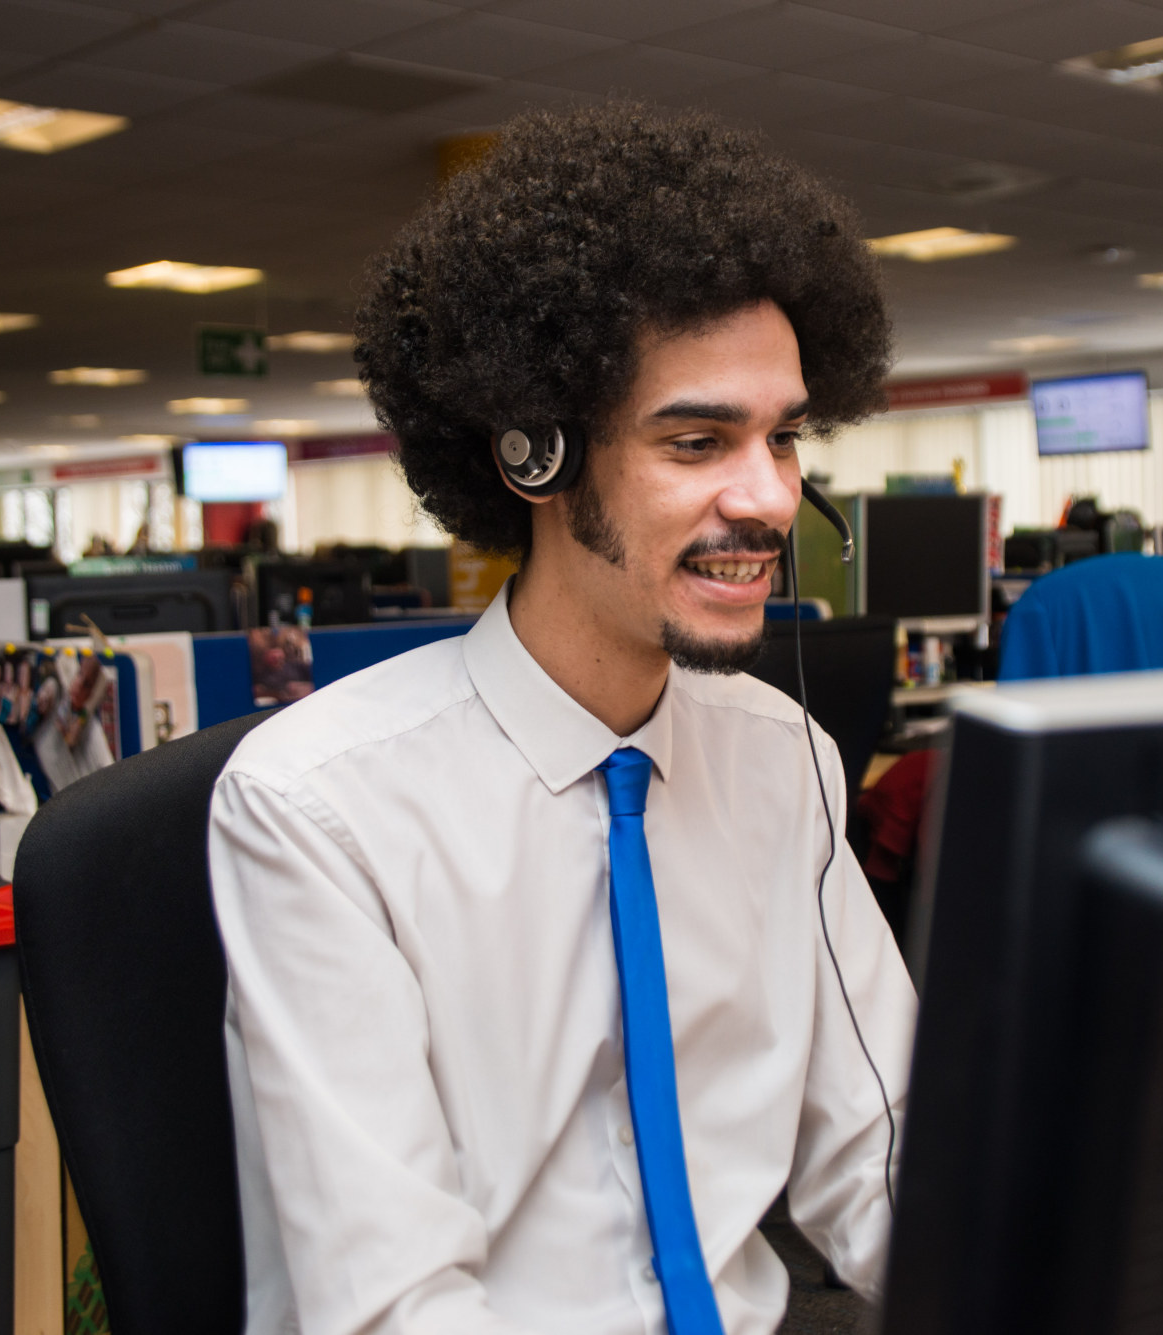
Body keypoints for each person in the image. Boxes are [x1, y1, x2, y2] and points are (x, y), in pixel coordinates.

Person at [208, 102, 914, 1335]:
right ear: (532, 454)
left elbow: (884, 1158)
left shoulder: (781, 759)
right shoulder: (320, 810)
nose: (766, 498)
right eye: (695, 441)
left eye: (785, 439)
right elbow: (390, 1308)